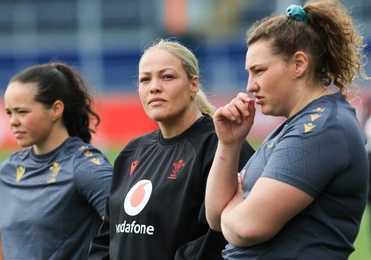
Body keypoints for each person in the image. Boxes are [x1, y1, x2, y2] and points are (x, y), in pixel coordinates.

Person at [205, 1, 370, 259]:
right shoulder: (295, 126)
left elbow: (247, 227)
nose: (250, 86)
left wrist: (235, 205)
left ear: (299, 64)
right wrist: (229, 144)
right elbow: (215, 218)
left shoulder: (321, 128)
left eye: (259, 71)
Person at [88, 38, 255, 260]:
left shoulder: (223, 145)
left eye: (167, 77)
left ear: (193, 85)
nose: (154, 87)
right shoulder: (132, 152)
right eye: (145, 80)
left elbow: (219, 239)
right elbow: (107, 237)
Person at [0, 62, 113, 259]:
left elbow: (130, 231)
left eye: (22, 112)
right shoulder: (8, 170)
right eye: (9, 113)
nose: (13, 121)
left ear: (56, 109)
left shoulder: (85, 167)